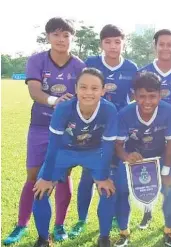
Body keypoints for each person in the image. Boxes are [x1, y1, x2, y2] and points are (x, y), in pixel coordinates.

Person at [3, 17, 85, 245]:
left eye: (66, 35)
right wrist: (54, 100)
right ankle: (21, 224)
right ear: (48, 36)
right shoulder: (37, 60)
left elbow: (84, 94)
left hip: (67, 129)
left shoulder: (79, 65)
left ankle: (59, 225)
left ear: (72, 38)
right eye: (56, 34)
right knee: (33, 176)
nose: (61, 39)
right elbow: (34, 91)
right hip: (40, 125)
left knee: (63, 175)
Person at [32, 68, 118, 247]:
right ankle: (43, 238)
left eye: (95, 88)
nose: (88, 92)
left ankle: (104, 237)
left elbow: (108, 145)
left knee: (108, 190)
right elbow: (54, 145)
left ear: (103, 91)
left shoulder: (109, 110)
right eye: (83, 87)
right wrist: (47, 178)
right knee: (40, 191)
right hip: (64, 151)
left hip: (94, 152)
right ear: (76, 88)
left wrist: (103, 177)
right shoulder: (64, 108)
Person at [70, 24, 138, 239]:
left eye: (117, 41)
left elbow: (134, 96)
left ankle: (116, 215)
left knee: (118, 175)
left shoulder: (131, 67)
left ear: (123, 43)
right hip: (95, 127)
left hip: (119, 131)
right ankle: (81, 219)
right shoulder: (91, 63)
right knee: (88, 174)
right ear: (101, 44)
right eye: (108, 41)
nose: (112, 46)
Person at [113, 71, 171, 247]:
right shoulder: (125, 114)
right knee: (122, 191)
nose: (147, 101)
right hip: (134, 159)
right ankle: (123, 232)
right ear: (134, 95)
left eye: (152, 96)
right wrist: (127, 156)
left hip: (161, 156)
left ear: (160, 95)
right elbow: (118, 145)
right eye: (142, 96)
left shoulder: (169, 111)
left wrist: (166, 170)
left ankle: (169, 231)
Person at [137, 29, 171, 229]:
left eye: (170, 44)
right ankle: (147, 213)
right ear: (155, 46)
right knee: (147, 173)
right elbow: (137, 99)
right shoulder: (144, 71)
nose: (166, 48)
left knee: (170, 175)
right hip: (147, 130)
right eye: (162, 44)